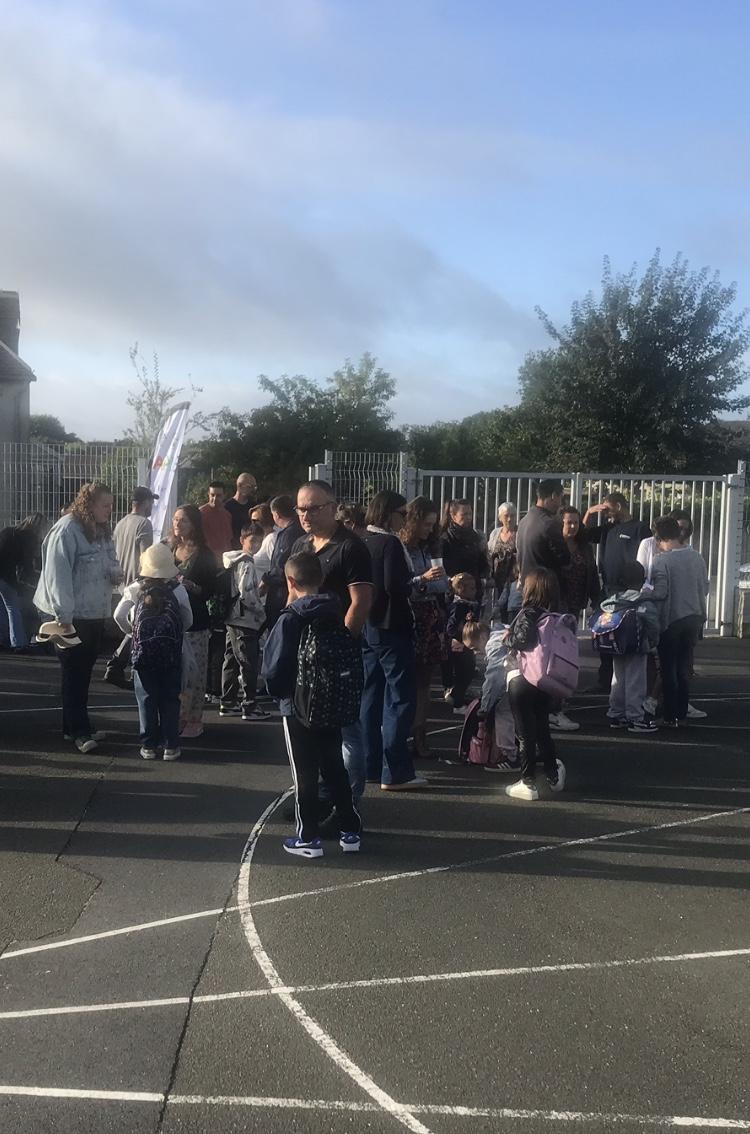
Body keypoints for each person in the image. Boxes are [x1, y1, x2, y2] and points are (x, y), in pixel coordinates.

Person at [263, 551, 362, 858]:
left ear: (290, 581)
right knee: (334, 766)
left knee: (304, 773)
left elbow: (274, 667)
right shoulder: (334, 609)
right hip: (333, 700)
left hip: (298, 705)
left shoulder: (290, 618)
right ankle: (350, 830)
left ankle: (308, 837)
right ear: (320, 579)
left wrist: (278, 694)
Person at [291, 480, 373, 801]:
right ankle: (322, 798)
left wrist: (341, 643)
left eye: (314, 508)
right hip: (305, 654)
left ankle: (348, 803)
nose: (306, 515)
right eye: (301, 508)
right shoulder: (301, 546)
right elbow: (292, 597)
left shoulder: (351, 547)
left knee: (348, 732)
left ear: (333, 507)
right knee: (311, 729)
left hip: (339, 655)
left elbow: (361, 601)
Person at [34, 483, 123, 753]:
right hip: (69, 614)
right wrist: (64, 617)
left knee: (82, 672)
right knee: (75, 672)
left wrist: (115, 572)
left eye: (110, 504)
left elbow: (110, 559)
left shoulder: (100, 529)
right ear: (89, 504)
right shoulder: (67, 530)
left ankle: (72, 726)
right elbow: (56, 577)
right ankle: (80, 731)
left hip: (93, 611)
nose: (110, 510)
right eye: (104, 505)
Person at [360, 491, 425, 791]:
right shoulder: (390, 543)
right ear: (390, 513)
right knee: (400, 697)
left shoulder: (363, 541)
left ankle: (370, 765)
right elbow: (394, 585)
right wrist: (418, 583)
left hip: (368, 625)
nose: (406, 517)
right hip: (391, 624)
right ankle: (396, 770)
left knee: (370, 696)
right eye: (402, 511)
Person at [114, 542, 193, 760]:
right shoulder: (178, 590)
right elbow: (188, 619)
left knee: (146, 698)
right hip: (171, 654)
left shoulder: (134, 589)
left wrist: (133, 632)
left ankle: (148, 745)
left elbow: (118, 616)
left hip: (143, 654)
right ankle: (171, 745)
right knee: (170, 698)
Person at [503, 569, 568, 801]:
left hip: (522, 677)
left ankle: (527, 780)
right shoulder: (553, 615)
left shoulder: (528, 612)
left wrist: (507, 638)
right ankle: (551, 773)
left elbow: (522, 640)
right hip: (544, 679)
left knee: (524, 733)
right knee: (542, 728)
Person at [583, 492, 651, 693]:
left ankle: (627, 684)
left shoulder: (639, 528)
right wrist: (589, 513)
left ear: (619, 506)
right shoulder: (608, 529)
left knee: (626, 637)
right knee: (604, 633)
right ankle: (605, 681)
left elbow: (648, 554)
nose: (606, 514)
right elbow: (583, 535)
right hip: (608, 591)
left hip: (628, 592)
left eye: (608, 509)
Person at [648, 515, 709, 728]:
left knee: (668, 669)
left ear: (659, 538)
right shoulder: (697, 557)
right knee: (684, 668)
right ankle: (681, 713)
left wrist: (644, 593)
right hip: (694, 617)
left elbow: (661, 593)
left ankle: (669, 715)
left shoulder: (661, 560)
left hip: (672, 620)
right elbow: (706, 587)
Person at [401, 496, 448, 758]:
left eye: (433, 524)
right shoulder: (400, 547)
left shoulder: (426, 548)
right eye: (427, 524)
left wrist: (424, 583)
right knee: (405, 680)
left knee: (424, 682)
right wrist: (423, 581)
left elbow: (441, 584)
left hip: (428, 617)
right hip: (409, 617)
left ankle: (420, 736)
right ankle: (401, 734)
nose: (431, 529)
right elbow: (403, 587)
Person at [170, 505, 217, 738]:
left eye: (184, 521)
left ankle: (193, 718)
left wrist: (193, 587)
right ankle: (175, 716)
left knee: (195, 672)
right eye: (176, 519)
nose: (178, 524)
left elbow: (211, 589)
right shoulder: (168, 547)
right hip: (170, 620)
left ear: (194, 524)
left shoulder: (204, 554)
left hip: (196, 620)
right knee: (175, 673)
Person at [104, 486, 158, 688]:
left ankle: (117, 665)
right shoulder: (144, 524)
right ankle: (118, 666)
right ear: (145, 503)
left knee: (134, 628)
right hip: (136, 584)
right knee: (138, 628)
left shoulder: (121, 523)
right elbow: (147, 558)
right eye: (151, 502)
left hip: (120, 585)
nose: (152, 506)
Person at [597, 561, 659, 733]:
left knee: (617, 678)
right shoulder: (643, 602)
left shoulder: (612, 602)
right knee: (636, 681)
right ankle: (635, 717)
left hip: (617, 645)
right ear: (643, 580)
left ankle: (616, 713)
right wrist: (654, 641)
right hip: (638, 646)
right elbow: (653, 624)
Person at [220, 521, 270, 722]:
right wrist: (261, 612)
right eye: (252, 541)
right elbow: (247, 594)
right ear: (242, 540)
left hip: (231, 616)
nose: (256, 545)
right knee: (248, 661)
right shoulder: (247, 563)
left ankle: (228, 700)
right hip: (245, 619)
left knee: (230, 658)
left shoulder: (231, 560)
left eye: (259, 541)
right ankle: (250, 704)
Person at [0, 513, 46, 650]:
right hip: (6, 576)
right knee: (13, 608)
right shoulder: (28, 539)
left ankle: (3, 639)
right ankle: (18, 642)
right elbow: (25, 566)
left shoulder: (8, 531)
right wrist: (37, 579)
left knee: (2, 608)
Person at [516, 480, 570, 586]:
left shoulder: (523, 521)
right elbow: (565, 559)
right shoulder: (549, 524)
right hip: (544, 588)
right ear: (554, 495)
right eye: (560, 498)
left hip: (527, 587)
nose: (560, 504)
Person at [263, 495, 304, 630]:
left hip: (282, 593)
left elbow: (281, 566)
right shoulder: (300, 530)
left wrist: (267, 579)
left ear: (276, 514)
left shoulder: (288, 535)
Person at [445, 572, 481, 711]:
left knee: (469, 671)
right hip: (459, 646)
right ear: (461, 589)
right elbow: (451, 628)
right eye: (471, 588)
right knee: (463, 673)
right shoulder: (458, 606)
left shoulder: (469, 604)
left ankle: (458, 695)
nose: (475, 591)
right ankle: (456, 700)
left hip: (467, 645)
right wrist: (463, 634)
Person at [440, 499, 489, 594]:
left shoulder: (476, 537)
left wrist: (482, 579)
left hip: (474, 591)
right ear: (453, 516)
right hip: (454, 592)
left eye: (470, 514)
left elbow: (483, 563)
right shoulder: (445, 539)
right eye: (464, 514)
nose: (468, 518)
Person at [488, 502, 519, 622]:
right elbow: (489, 553)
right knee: (499, 613)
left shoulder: (519, 533)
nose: (510, 519)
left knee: (512, 611)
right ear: (500, 517)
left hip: (514, 581)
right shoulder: (495, 533)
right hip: (498, 580)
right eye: (506, 515)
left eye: (513, 515)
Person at [200, 482, 234, 563]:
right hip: (207, 560)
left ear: (224, 496)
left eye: (218, 496)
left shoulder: (227, 515)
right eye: (212, 495)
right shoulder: (200, 513)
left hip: (224, 560)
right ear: (208, 494)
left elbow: (228, 538)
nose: (215, 498)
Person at [225, 472, 258, 547]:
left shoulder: (254, 506)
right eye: (250, 487)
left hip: (251, 547)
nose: (253, 490)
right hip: (233, 549)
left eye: (255, 487)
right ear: (239, 486)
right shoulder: (227, 507)